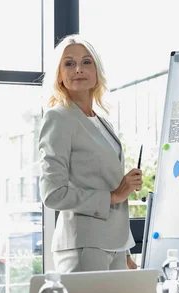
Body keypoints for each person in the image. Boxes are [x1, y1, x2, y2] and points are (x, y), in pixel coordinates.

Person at [38, 34, 142, 272]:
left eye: (86, 62)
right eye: (69, 63)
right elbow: (53, 194)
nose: (78, 69)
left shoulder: (102, 122)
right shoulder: (58, 117)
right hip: (83, 246)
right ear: (59, 75)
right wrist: (113, 196)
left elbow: (108, 184)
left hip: (114, 246)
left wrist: (124, 249)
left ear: (96, 72)